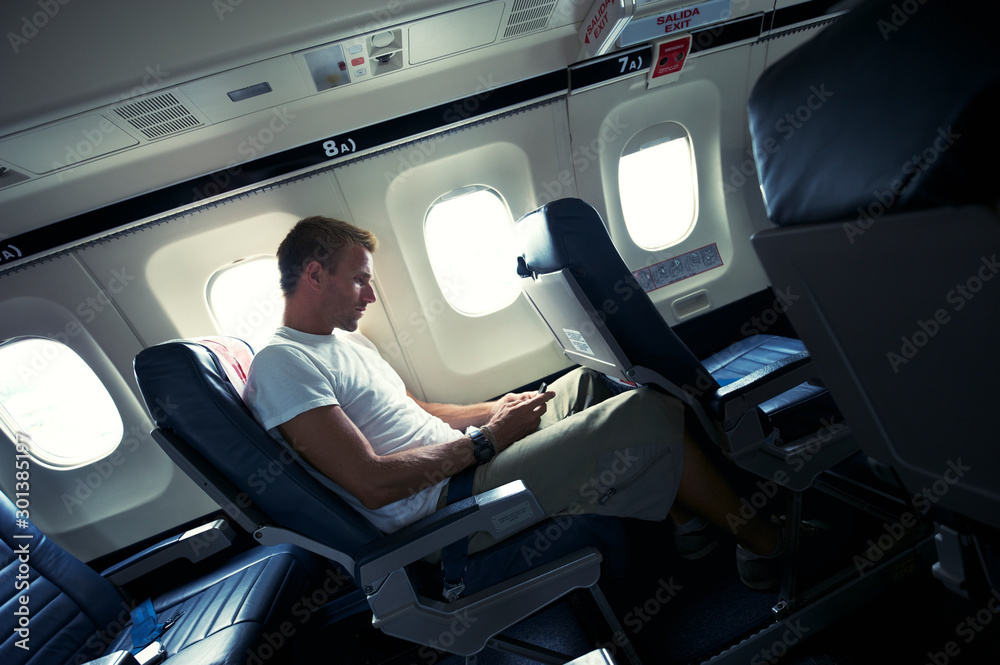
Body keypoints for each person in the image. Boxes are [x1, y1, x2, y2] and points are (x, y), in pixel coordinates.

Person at [244, 215, 785, 589]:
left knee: (594, 381)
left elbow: (420, 413)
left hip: (464, 461)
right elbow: (372, 482)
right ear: (314, 274)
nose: (371, 294)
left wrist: (495, 408)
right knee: (642, 415)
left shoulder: (345, 342)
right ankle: (771, 546)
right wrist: (490, 439)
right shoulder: (282, 363)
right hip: (446, 510)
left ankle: (690, 523)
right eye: (360, 280)